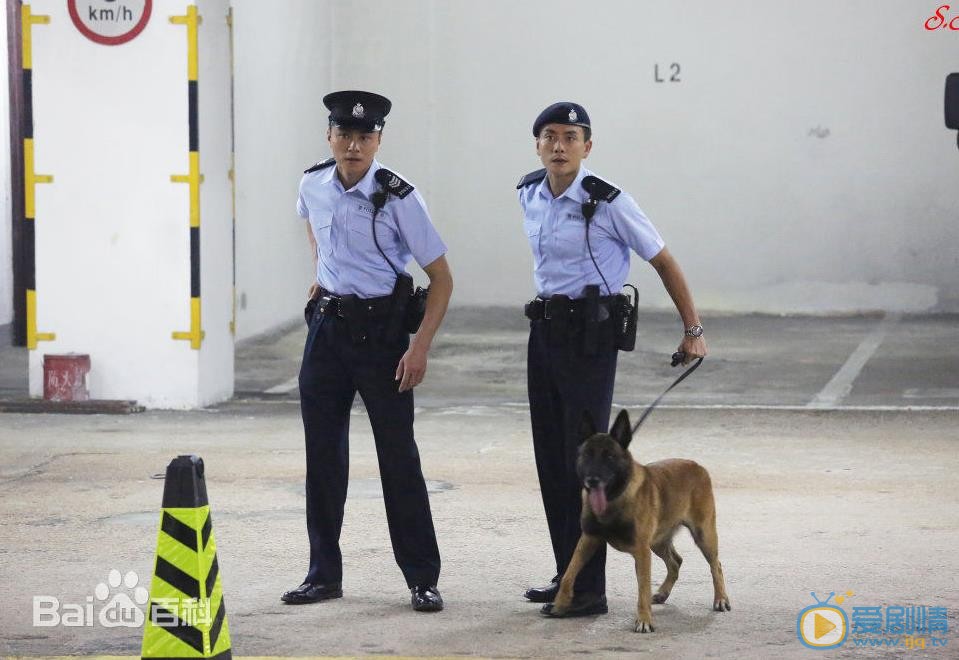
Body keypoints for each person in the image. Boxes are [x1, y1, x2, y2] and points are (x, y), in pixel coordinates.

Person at [517, 101, 707, 617]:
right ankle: (568, 575)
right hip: (545, 333)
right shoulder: (529, 194)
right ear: (537, 144)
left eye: (570, 137)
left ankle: (590, 592)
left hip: (589, 338)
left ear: (587, 147)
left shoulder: (610, 202)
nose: (559, 146)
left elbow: (662, 260)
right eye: (550, 136)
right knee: (552, 460)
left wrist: (692, 329)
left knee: (589, 462)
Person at [282, 90, 452, 612]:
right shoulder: (313, 183)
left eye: (365, 136)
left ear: (379, 139)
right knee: (323, 457)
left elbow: (441, 279)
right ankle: (323, 574)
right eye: (345, 135)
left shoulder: (401, 197)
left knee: (398, 457)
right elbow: (311, 222)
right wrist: (321, 274)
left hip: (381, 337)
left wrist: (419, 347)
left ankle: (422, 577)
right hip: (327, 333)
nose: (354, 146)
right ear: (330, 136)